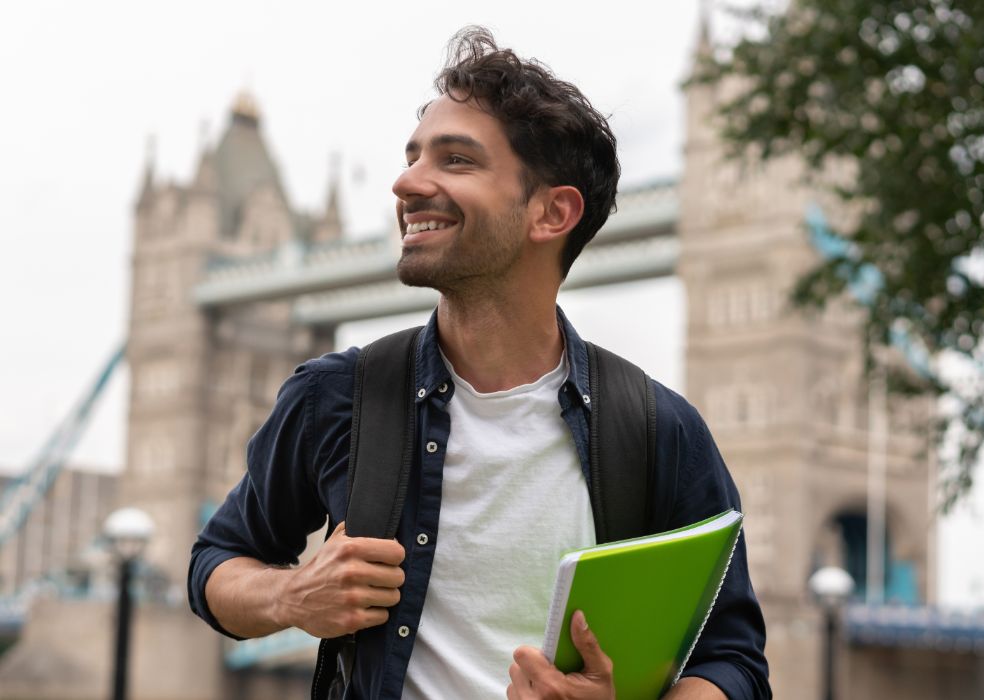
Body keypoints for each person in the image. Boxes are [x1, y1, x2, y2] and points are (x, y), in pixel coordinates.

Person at [188, 26, 770, 700]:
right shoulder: (337, 397)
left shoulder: (658, 427)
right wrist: (291, 595)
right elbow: (215, 565)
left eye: (455, 160)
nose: (406, 182)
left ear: (552, 212)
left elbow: (735, 666)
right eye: (412, 157)